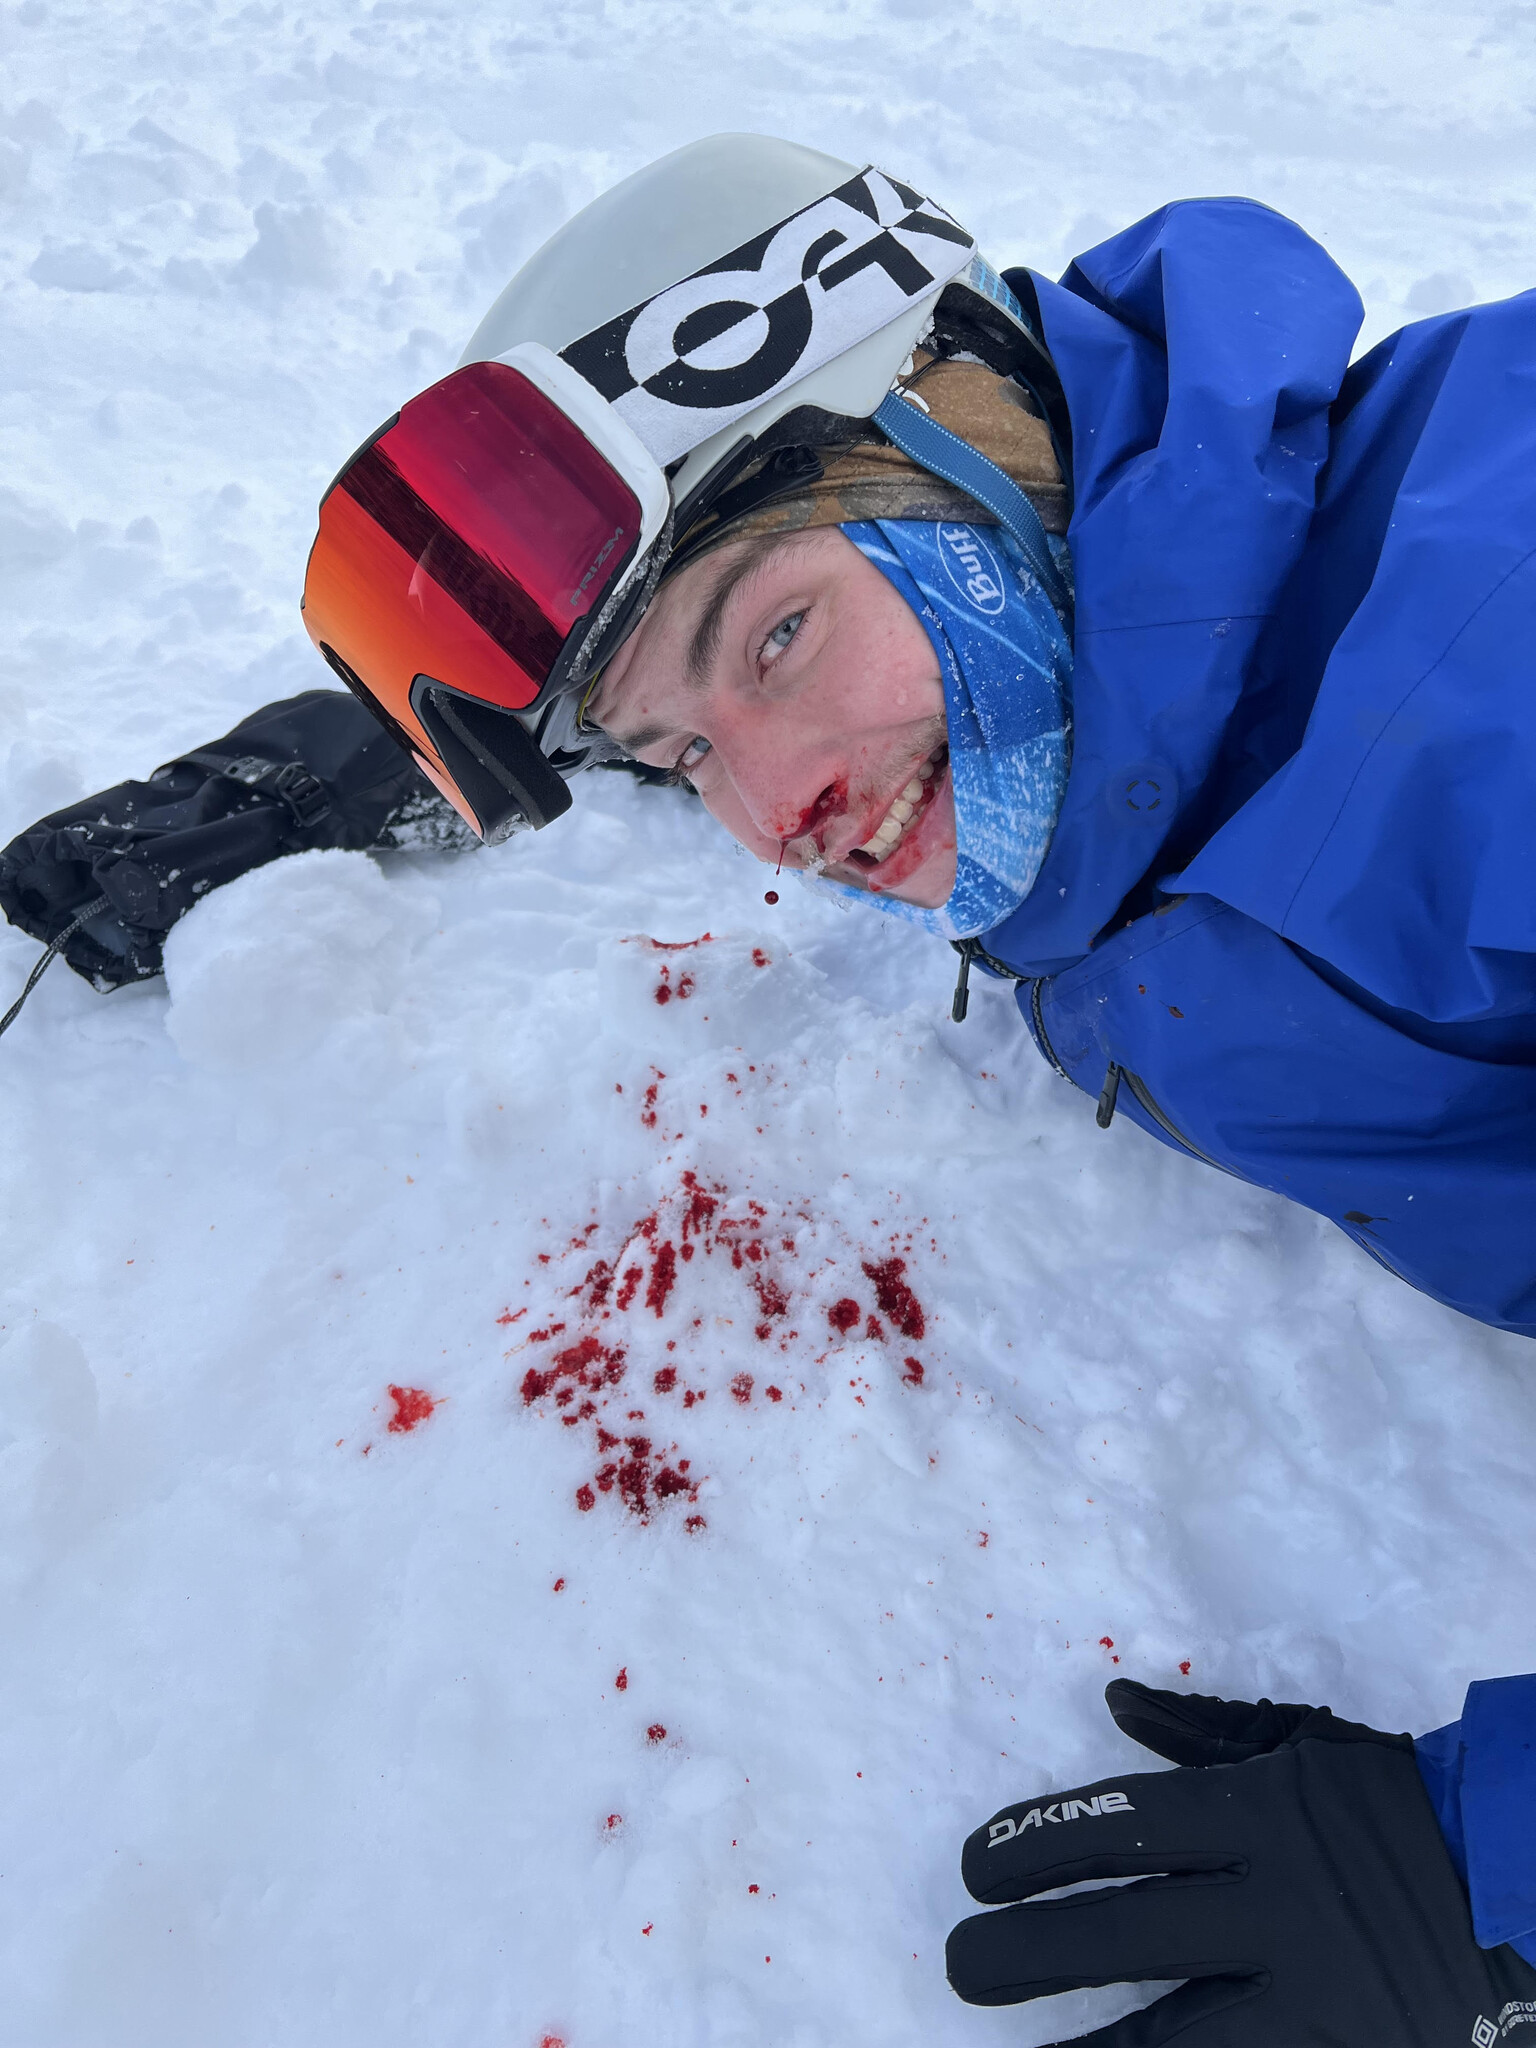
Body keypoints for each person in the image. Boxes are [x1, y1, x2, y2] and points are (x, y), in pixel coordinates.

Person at [3, 134, 1533, 2038]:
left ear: (977, 424)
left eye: (779, 636)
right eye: (677, 755)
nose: (775, 818)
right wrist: (419, 755)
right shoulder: (1101, 690)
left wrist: (1481, 1878)